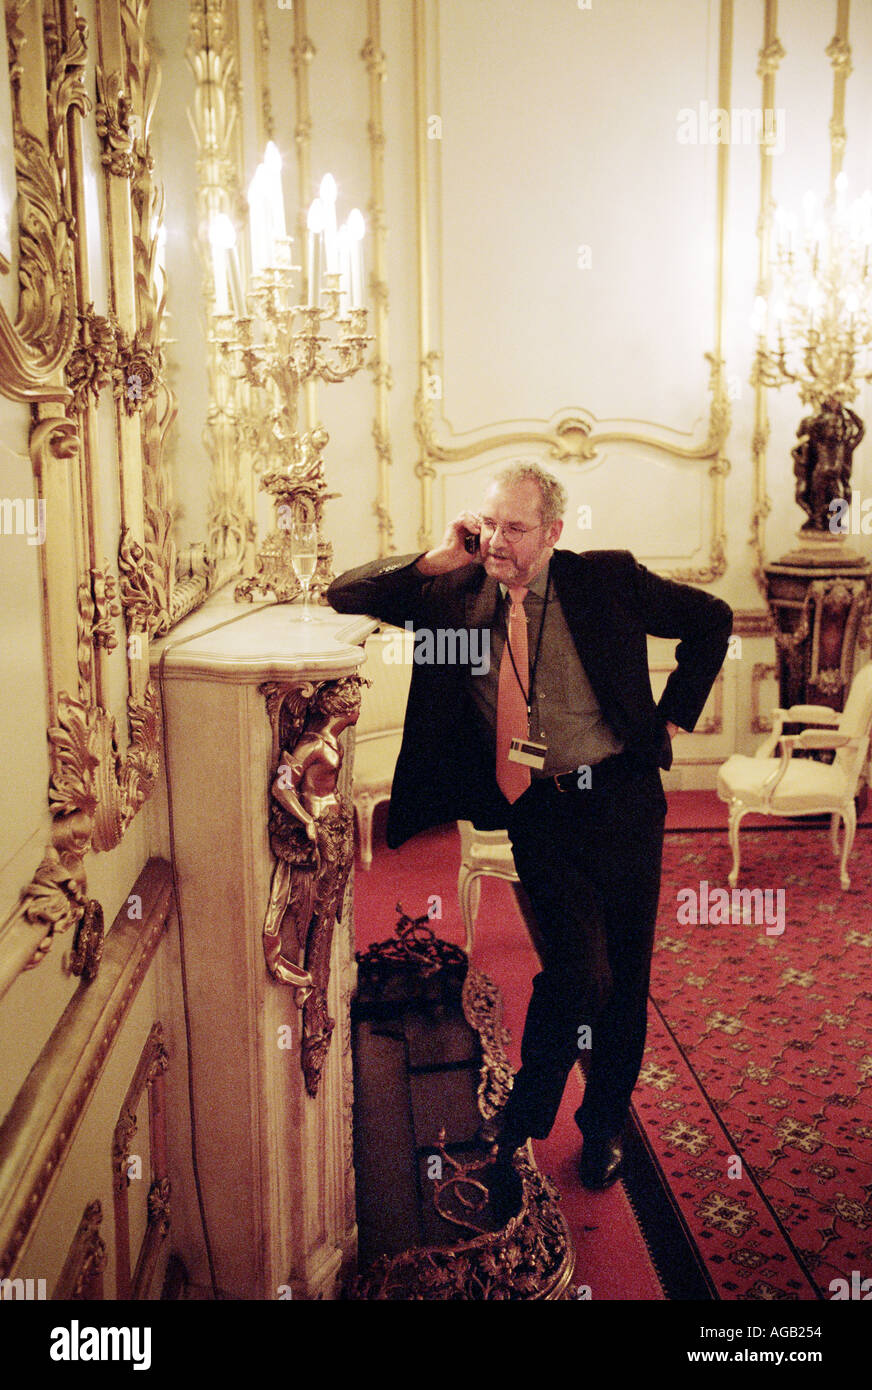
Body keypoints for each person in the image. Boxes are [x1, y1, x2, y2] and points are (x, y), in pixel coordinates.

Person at [327, 461, 732, 1221]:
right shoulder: (452, 593)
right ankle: (521, 1119)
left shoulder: (604, 580)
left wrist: (672, 716)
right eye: (490, 524)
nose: (500, 543)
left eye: (517, 529)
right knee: (580, 972)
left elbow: (712, 618)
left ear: (552, 531)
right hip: (536, 811)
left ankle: (603, 1121)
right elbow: (345, 594)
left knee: (625, 974)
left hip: (620, 799)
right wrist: (434, 557)